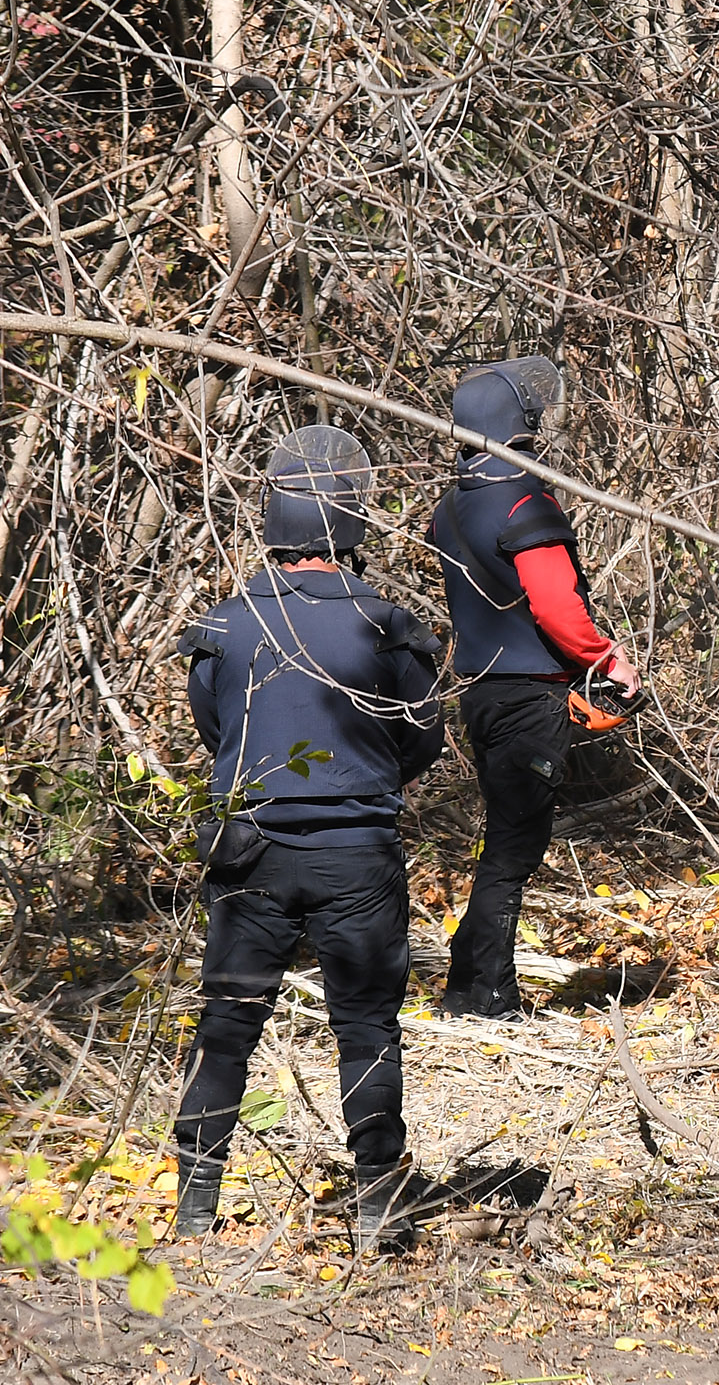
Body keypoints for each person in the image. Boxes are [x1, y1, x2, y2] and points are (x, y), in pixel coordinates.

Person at [169, 426, 444, 1252]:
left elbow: (213, 729)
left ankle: (193, 1207)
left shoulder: (225, 623)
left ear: (272, 522)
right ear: (352, 523)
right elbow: (421, 736)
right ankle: (377, 1209)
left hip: (248, 849)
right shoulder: (388, 625)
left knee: (228, 1019)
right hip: (357, 851)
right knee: (366, 1025)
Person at [428, 358, 641, 1019]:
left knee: (503, 845)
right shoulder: (523, 495)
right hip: (527, 700)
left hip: (481, 694)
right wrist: (610, 660)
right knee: (514, 852)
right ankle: (483, 996)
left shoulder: (450, 505)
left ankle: (473, 985)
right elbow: (553, 603)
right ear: (516, 421)